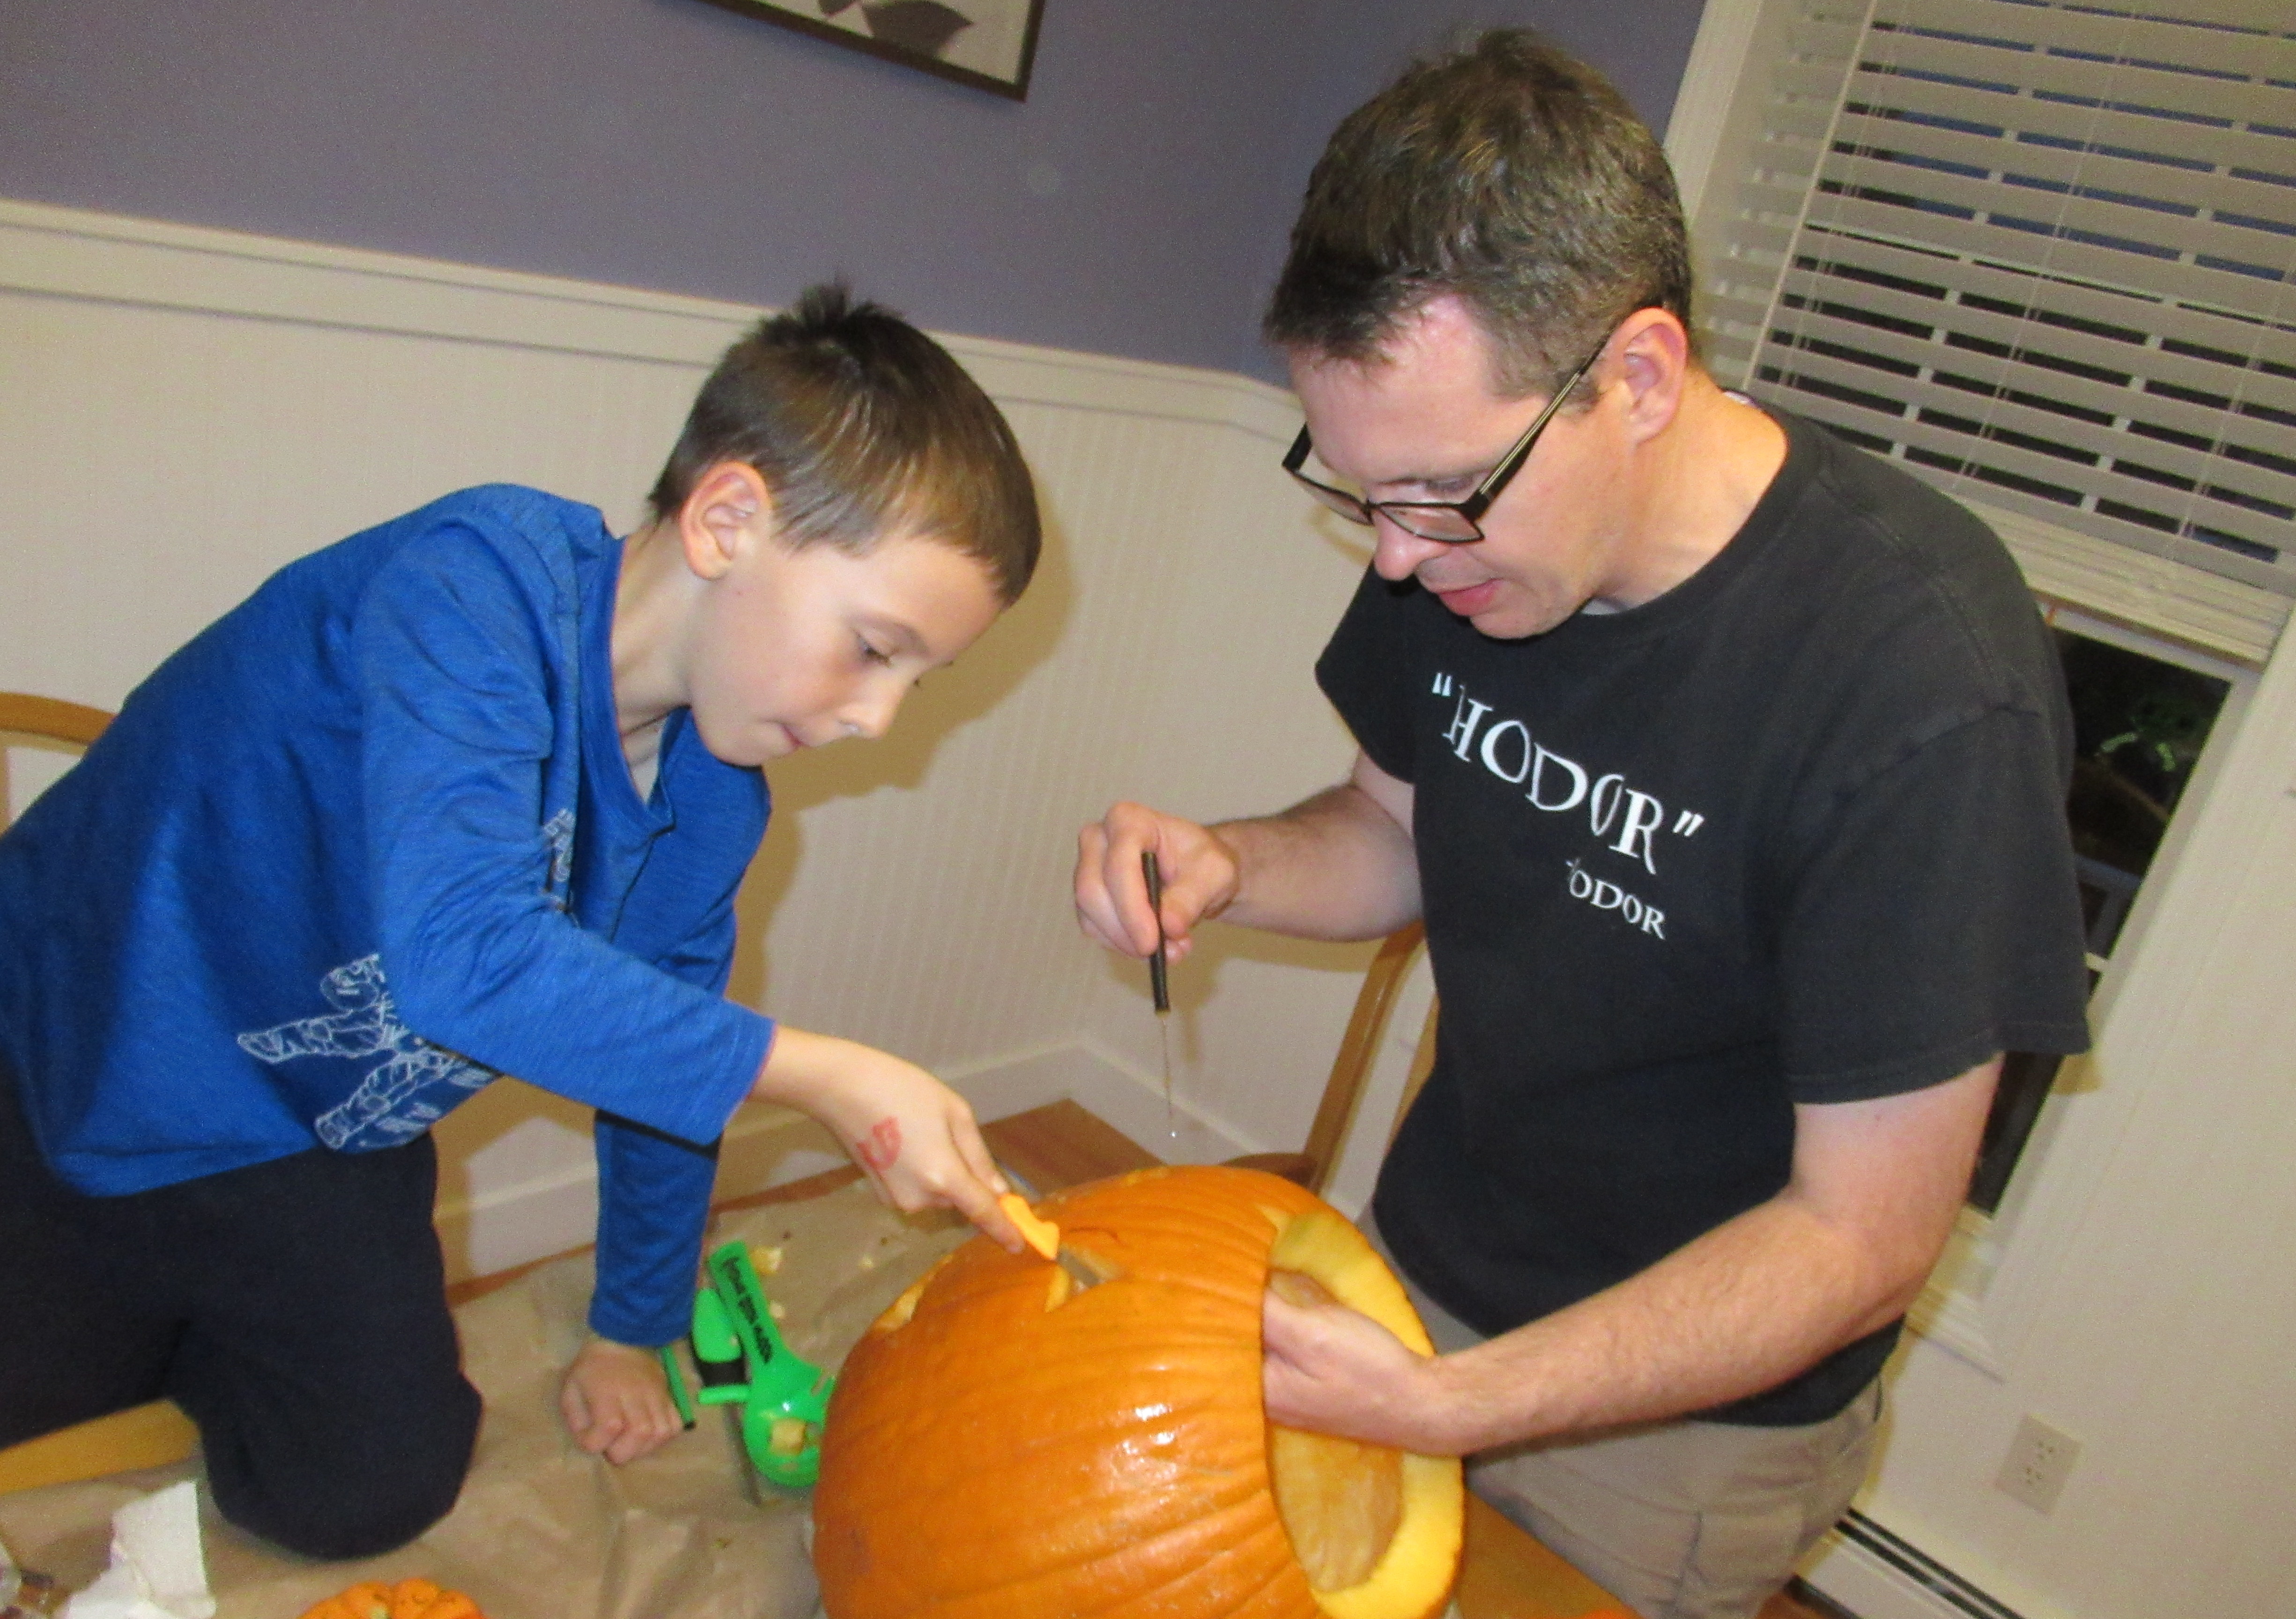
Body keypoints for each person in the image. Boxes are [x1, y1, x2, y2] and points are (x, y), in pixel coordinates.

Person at [1073, 32, 2090, 1619]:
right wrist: (1233, 863)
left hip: (1682, 1427)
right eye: (1361, 493)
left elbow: (1861, 1239)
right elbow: (1393, 830)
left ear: (1640, 378)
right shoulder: (1460, 533)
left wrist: (1463, 1407)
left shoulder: (1922, 680)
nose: (1397, 559)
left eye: (1438, 493)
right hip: (1423, 1264)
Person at [0, 284, 1035, 1560]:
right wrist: (822, 1071)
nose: (879, 719)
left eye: (918, 677)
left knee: (373, 1489)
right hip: (67, 1064)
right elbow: (465, 961)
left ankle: (174, 1326)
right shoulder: (474, 585)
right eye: (874, 648)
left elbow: (666, 1073)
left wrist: (634, 1322)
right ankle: (140, 1316)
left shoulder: (713, 803)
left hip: (316, 1132)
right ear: (728, 520)